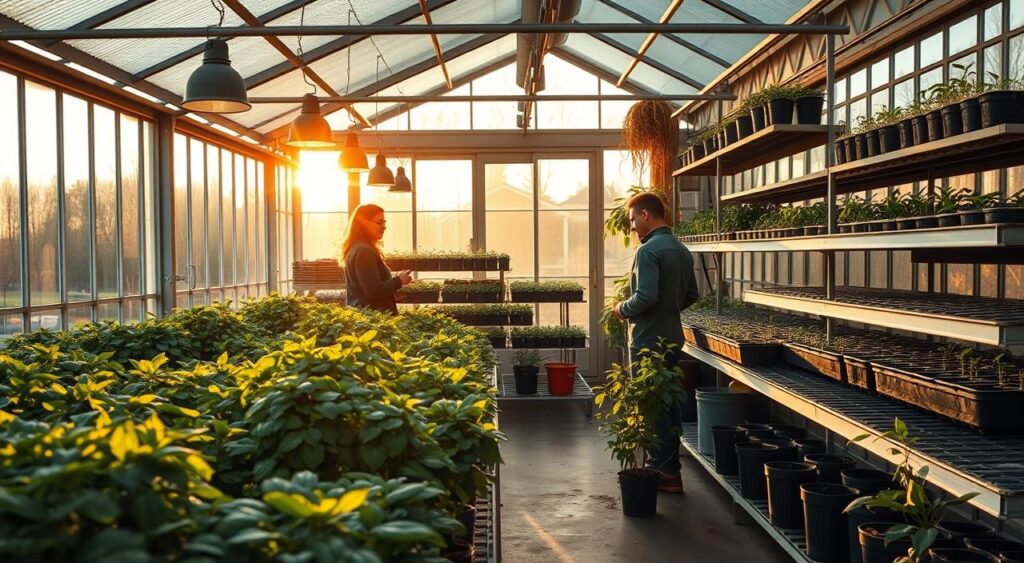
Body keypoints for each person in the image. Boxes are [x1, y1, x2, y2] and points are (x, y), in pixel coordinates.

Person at [614, 192, 699, 493]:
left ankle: (660, 471)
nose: (632, 226)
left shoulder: (648, 251)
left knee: (652, 405)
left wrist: (621, 309)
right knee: (669, 403)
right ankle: (671, 470)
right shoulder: (681, 249)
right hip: (673, 337)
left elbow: (645, 296)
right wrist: (669, 308)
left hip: (648, 340)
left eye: (633, 219)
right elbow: (692, 295)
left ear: (646, 215)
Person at [342, 204, 413, 314]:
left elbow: (367, 287)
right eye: (379, 222)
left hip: (366, 317)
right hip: (373, 320)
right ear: (363, 224)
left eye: (384, 222)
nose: (384, 227)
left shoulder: (358, 248)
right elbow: (374, 291)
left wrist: (393, 288)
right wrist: (399, 280)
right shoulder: (364, 252)